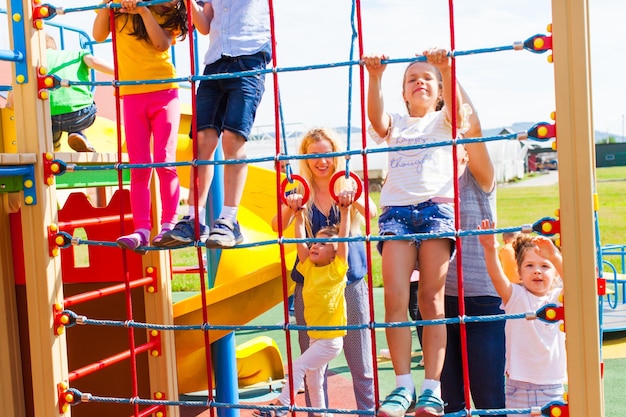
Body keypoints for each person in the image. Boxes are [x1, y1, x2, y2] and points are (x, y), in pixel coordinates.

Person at [363, 48, 474, 417]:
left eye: (428, 78)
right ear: (404, 92)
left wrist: (447, 68)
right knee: (394, 297)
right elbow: (376, 121)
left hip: (435, 211)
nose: (420, 82)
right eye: (412, 79)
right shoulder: (395, 122)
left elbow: (461, 115)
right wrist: (376, 76)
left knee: (430, 299)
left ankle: (431, 388)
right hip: (396, 213)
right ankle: (401, 386)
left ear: (439, 91)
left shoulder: (444, 120)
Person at [271, 128, 377, 416]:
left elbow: (371, 213)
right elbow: (274, 227)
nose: (322, 161)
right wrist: (290, 207)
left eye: (327, 154)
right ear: (305, 158)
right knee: (313, 366)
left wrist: (351, 199)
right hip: (312, 286)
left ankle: (366, 411)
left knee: (361, 360)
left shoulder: (347, 184)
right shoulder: (299, 189)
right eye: (314, 155)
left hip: (349, 282)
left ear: (336, 155)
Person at [159, 0, 271, 249]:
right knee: (202, 142)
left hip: (249, 59)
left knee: (233, 140)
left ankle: (229, 219)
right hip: (215, 62)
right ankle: (193, 218)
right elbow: (205, 26)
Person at [93, 0, 188, 252]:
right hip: (132, 96)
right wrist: (108, 5)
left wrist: (144, 11)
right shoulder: (118, 9)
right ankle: (142, 229)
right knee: (139, 166)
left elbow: (161, 44)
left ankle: (168, 225)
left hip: (164, 92)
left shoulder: (164, 9)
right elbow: (98, 34)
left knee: (164, 162)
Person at [254, 189, 355, 417]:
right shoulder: (308, 268)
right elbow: (300, 241)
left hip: (330, 338)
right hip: (315, 335)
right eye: (315, 243)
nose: (315, 247)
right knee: (313, 380)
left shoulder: (337, 269)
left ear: (333, 254)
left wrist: (345, 212)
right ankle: (321, 414)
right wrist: (298, 216)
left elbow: (344, 240)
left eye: (322, 245)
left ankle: (283, 405)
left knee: (298, 366)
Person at [436, 96, 506, 416]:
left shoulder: (478, 179)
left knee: (490, 399)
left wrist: (446, 73)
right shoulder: (427, 186)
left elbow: (472, 124)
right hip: (440, 304)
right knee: (450, 404)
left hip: (481, 300)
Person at [478, 220, 566, 416]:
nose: (537, 270)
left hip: (551, 385)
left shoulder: (558, 298)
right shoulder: (515, 296)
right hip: (518, 385)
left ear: (555, 274)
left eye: (545, 266)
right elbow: (496, 277)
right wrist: (489, 248)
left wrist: (554, 256)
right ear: (519, 272)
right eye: (529, 266)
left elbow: (576, 282)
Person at [6, 34, 114, 152]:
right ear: (55, 48)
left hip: (46, 117)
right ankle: (78, 133)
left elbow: (11, 102)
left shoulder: (28, 64)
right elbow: (94, 62)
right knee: (86, 106)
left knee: (46, 121)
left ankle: (53, 145)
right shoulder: (77, 54)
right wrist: (119, 73)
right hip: (79, 115)